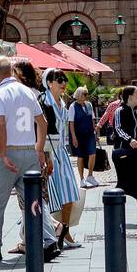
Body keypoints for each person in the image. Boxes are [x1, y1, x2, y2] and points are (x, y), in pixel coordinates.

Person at [0, 56, 60, 263]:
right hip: (29, 152)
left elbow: (0, 124)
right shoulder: (27, 91)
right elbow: (42, 123)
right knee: (34, 201)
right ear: (10, 71)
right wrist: (38, 150)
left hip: (9, 152)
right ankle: (48, 239)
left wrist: (2, 154)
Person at [42, 69, 83, 249]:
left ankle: (64, 230)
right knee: (46, 198)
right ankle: (48, 232)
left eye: (64, 80)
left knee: (69, 194)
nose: (64, 83)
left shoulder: (63, 103)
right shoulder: (43, 101)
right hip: (48, 153)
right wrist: (44, 155)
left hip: (62, 154)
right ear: (49, 83)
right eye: (60, 80)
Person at [111, 85, 137, 226]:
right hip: (123, 152)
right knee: (123, 183)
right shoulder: (119, 111)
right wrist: (129, 139)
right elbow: (118, 128)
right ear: (130, 97)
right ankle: (115, 214)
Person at [68, 86, 98, 188]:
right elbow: (71, 123)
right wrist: (74, 137)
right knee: (80, 156)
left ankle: (90, 175)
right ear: (79, 95)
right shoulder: (73, 106)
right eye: (85, 94)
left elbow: (92, 119)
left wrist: (95, 133)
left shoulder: (89, 105)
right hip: (78, 135)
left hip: (89, 134)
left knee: (92, 153)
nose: (86, 96)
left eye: (87, 94)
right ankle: (81, 178)